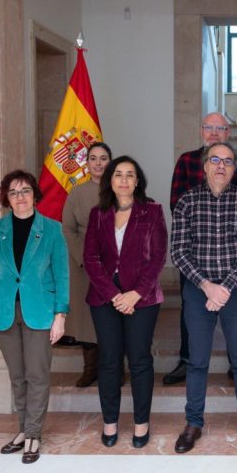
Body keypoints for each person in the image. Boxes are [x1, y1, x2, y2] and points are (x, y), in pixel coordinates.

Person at [170, 141, 237, 453]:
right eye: (215, 160)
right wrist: (207, 286)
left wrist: (224, 287)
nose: (221, 166)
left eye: (228, 161)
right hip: (199, 293)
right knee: (197, 361)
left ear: (235, 168)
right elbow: (179, 251)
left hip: (235, 292)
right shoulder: (186, 202)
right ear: (205, 165)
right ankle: (193, 422)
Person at [0, 170, 69, 464]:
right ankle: (22, 430)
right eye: (13, 192)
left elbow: (62, 275)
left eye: (25, 191)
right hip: (3, 311)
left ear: (34, 195)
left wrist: (61, 315)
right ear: (7, 198)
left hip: (40, 310)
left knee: (37, 375)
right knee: (18, 376)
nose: (20, 197)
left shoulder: (52, 229)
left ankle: (33, 434)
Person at [164, 112, 237, 386]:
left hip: (231, 261)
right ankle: (186, 358)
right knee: (189, 311)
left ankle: (233, 361)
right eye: (209, 128)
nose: (214, 133)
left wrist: (224, 284)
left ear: (228, 133)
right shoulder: (186, 161)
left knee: (236, 329)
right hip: (194, 255)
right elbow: (176, 202)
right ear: (201, 131)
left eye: (220, 128)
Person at [83, 156, 166, 449]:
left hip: (142, 299)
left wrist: (135, 294)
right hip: (105, 298)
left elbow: (158, 257)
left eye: (130, 174)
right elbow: (90, 259)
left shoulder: (152, 211)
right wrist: (113, 295)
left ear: (137, 181)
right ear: (111, 179)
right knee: (108, 361)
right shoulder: (98, 213)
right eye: (118, 174)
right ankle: (110, 422)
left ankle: (141, 423)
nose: (124, 179)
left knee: (140, 360)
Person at [61, 142, 111, 387]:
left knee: (114, 318)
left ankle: (115, 368)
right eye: (93, 158)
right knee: (87, 320)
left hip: (114, 265)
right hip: (83, 265)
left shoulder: (119, 188)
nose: (98, 163)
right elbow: (68, 229)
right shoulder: (77, 192)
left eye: (103, 158)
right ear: (87, 162)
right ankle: (90, 368)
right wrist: (85, 259)